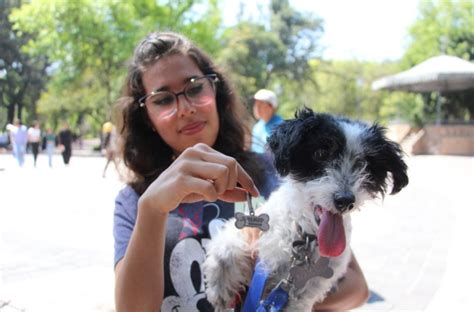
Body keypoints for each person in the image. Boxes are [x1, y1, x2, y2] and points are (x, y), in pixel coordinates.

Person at [113, 31, 368, 312]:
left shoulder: (278, 173)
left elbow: (356, 288)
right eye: (163, 99)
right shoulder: (135, 202)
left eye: (195, 87)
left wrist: (278, 299)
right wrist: (153, 208)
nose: (185, 108)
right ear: (146, 117)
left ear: (216, 91)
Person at [250, 89, 284, 153]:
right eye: (256, 104)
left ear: (271, 107)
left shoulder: (280, 126)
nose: (257, 108)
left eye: (261, 104)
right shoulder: (257, 127)